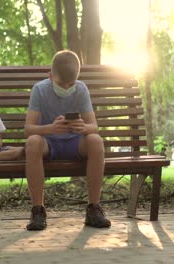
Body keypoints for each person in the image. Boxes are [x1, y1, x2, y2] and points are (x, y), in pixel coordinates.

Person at [24, 50, 111, 230]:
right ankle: (38, 210)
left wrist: (84, 127)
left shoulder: (81, 89)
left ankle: (94, 208)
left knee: (95, 140)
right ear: (50, 75)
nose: (66, 88)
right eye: (60, 84)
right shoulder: (40, 90)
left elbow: (94, 126)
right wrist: (50, 128)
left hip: (75, 142)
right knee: (33, 142)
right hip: (49, 144)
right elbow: (29, 129)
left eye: (70, 84)